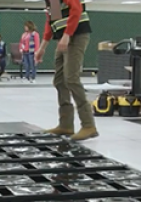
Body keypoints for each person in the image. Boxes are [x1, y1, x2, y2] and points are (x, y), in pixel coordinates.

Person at [35, 0, 98, 141]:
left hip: (76, 36)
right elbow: (52, 23)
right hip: (64, 38)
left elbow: (76, 10)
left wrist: (67, 35)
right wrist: (42, 48)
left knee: (71, 79)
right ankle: (66, 124)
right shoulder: (53, 2)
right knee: (59, 81)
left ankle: (89, 125)